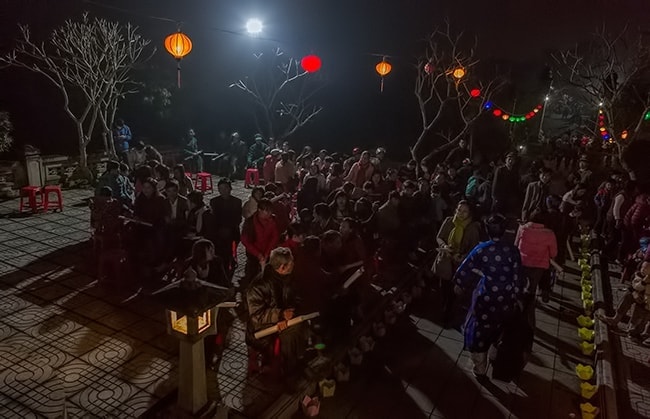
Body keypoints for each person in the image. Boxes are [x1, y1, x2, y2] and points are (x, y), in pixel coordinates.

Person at [453, 214, 526, 377]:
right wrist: (517, 296)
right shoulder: (512, 250)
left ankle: (479, 366)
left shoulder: (482, 249)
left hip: (485, 295)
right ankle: (494, 354)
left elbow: (464, 269)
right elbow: (517, 277)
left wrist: (460, 284)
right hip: (505, 297)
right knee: (499, 326)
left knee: (479, 327)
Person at [245, 247, 306, 383]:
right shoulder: (258, 286)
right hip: (261, 328)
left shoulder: (288, 278)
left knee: (299, 325)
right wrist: (279, 315)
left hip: (283, 320)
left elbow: (295, 297)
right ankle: (289, 373)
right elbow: (256, 316)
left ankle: (299, 358)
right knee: (291, 334)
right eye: (291, 263)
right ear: (282, 267)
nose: (294, 265)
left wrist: (293, 309)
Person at [434, 200, 481, 324]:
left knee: (454, 292)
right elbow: (439, 237)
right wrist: (444, 246)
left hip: (460, 265)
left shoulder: (472, 227)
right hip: (446, 261)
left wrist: (462, 256)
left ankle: (448, 314)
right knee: (444, 288)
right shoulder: (449, 221)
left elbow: (474, 248)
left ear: (469, 213)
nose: (461, 213)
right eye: (459, 210)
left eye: (465, 211)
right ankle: (445, 310)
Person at [515, 210, 559, 318]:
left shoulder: (523, 228)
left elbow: (516, 244)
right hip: (539, 265)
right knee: (532, 288)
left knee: (520, 285)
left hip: (523, 262)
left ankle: (517, 305)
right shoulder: (549, 234)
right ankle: (528, 310)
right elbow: (553, 253)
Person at [241, 199, 280, 288]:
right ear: (259, 210)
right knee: (252, 275)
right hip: (253, 253)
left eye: (271, 211)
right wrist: (258, 254)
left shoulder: (272, 221)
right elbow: (245, 240)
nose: (270, 213)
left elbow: (275, 237)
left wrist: (266, 254)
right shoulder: (250, 222)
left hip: (267, 252)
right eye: (267, 211)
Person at [209, 178, 243, 276]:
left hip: (232, 231)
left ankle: (231, 260)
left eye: (225, 188)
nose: (223, 191)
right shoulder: (214, 201)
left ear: (230, 189)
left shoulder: (237, 202)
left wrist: (229, 228)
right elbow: (213, 219)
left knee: (231, 247)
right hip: (218, 231)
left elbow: (238, 219)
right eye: (220, 189)